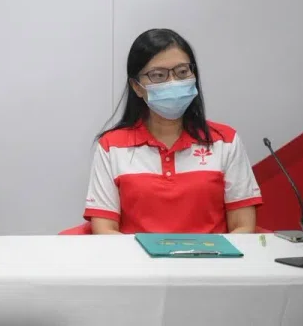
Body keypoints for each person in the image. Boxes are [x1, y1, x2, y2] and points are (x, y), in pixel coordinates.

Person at [84, 28, 262, 234]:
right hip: (139, 263)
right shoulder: (111, 146)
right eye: (158, 75)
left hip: (212, 262)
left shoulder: (225, 141)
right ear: (137, 87)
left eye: (182, 72)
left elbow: (243, 226)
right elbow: (104, 230)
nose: (173, 82)